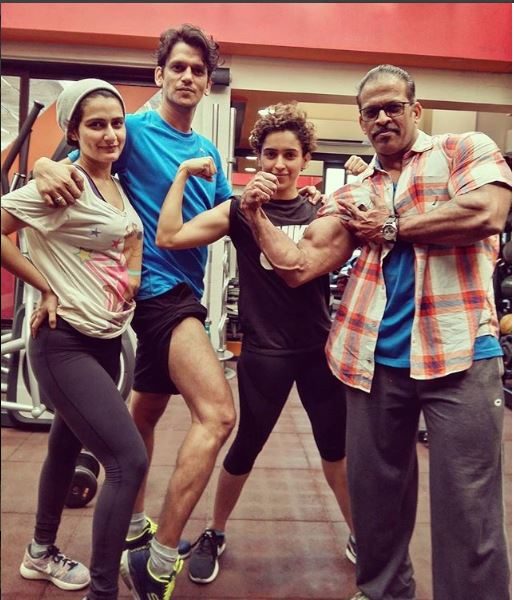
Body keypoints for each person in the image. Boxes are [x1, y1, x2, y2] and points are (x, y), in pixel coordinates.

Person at [239, 65, 512, 600]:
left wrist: (391, 228)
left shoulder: (462, 150)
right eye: (372, 111)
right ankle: (384, 591)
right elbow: (299, 264)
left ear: (415, 110)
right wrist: (255, 217)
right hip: (371, 361)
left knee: (468, 508)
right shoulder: (354, 192)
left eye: (393, 107)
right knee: (374, 502)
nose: (383, 117)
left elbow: (488, 212)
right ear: (362, 122)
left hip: (459, 353)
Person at [31, 24, 238, 600]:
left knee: (144, 411)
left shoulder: (207, 151)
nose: (188, 77)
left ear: (207, 81)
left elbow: (228, 212)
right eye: (179, 67)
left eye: (198, 70)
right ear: (159, 74)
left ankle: (132, 526)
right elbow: (71, 163)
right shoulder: (134, 130)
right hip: (157, 296)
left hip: (180, 292)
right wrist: (45, 166)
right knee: (218, 414)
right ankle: (157, 558)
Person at [154, 103, 368, 584]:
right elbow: (168, 236)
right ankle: (214, 531)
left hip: (317, 350)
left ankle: (359, 535)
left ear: (306, 158)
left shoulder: (321, 210)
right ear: (258, 157)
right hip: (265, 352)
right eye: (270, 154)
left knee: (335, 449)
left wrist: (363, 177)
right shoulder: (238, 210)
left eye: (290, 155)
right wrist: (182, 175)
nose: (279, 164)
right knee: (245, 447)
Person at [1, 79, 148, 600]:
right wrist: (44, 285)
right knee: (128, 461)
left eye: (116, 123)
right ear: (73, 132)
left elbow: (126, 241)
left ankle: (39, 553)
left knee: (65, 449)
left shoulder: (116, 184)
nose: (110, 134)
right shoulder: (65, 184)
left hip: (106, 342)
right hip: (64, 343)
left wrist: (128, 284)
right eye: (96, 124)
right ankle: (103, 592)